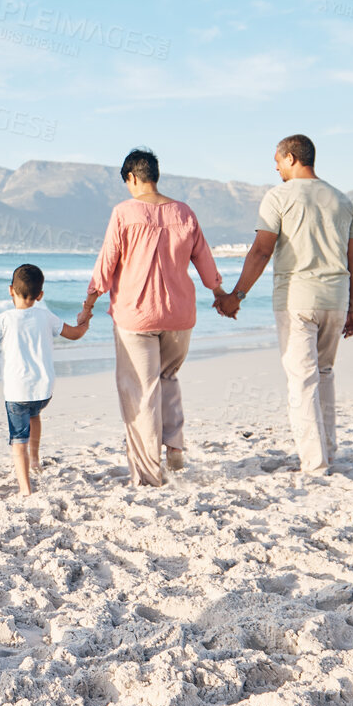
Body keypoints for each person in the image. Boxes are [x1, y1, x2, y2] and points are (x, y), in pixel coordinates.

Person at [80, 148, 231, 486]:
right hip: (180, 315)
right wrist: (221, 296)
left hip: (136, 316)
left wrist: (88, 306)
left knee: (141, 391)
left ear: (133, 178)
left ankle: (148, 473)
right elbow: (206, 264)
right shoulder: (184, 212)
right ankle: (174, 444)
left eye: (128, 183)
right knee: (168, 378)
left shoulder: (124, 212)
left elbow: (105, 266)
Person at [217, 134, 353, 474]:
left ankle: (314, 462)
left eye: (279, 161)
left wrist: (236, 296)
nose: (276, 167)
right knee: (323, 374)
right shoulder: (342, 200)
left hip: (297, 300)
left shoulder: (279, 196)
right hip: (336, 299)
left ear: (292, 158)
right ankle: (328, 450)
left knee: (302, 380)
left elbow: (262, 250)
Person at [0, 263, 90, 495]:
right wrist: (86, 320)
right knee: (35, 415)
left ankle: (25, 489)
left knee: (18, 439)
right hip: (44, 391)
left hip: (17, 392)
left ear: (10, 289)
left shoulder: (4, 319)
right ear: (40, 295)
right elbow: (74, 334)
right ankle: (35, 460)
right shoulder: (46, 316)